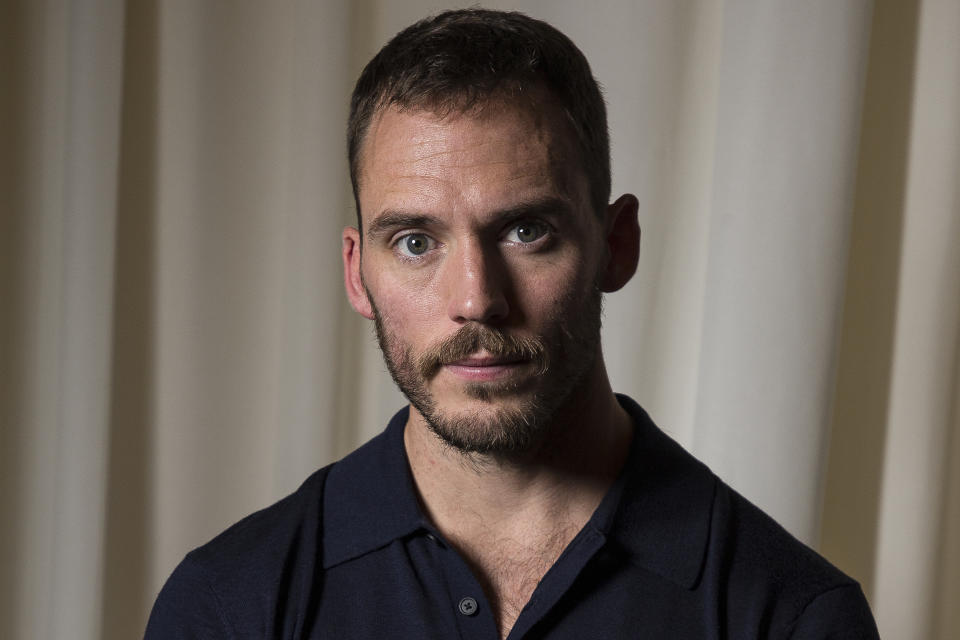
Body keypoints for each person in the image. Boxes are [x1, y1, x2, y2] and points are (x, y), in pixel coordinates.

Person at [145, 9, 879, 639]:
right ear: (356, 272)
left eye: (526, 231)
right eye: (414, 242)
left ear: (615, 245)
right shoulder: (229, 606)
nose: (477, 298)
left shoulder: (789, 616)